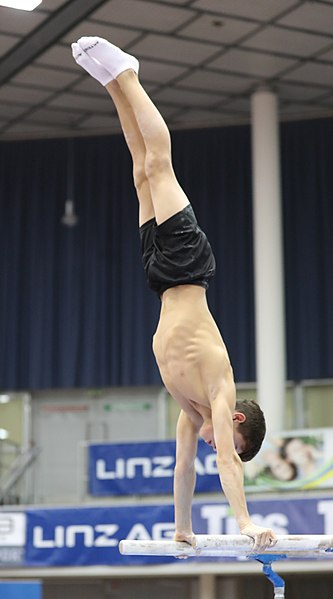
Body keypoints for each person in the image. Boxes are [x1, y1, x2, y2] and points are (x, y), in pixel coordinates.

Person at [71, 36, 276, 551]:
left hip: (159, 278)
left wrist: (182, 527)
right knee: (160, 166)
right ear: (235, 422)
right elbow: (227, 462)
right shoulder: (218, 394)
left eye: (220, 443)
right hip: (188, 267)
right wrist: (246, 523)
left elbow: (185, 469)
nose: (215, 446)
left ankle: (114, 85)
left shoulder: (190, 414)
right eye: (227, 438)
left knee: (141, 172)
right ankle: (132, 74)